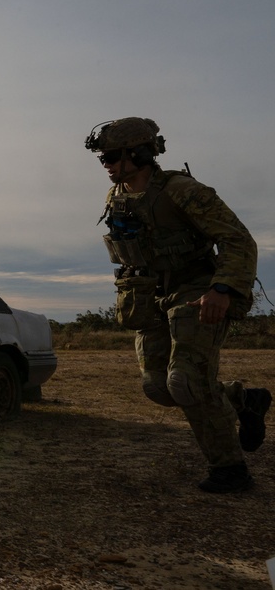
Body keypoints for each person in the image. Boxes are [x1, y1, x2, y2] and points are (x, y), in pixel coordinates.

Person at [85, 117, 271, 493]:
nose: (105, 163)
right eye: (102, 157)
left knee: (185, 381)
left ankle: (230, 470)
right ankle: (242, 399)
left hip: (197, 289)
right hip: (150, 295)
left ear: (139, 152)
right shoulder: (117, 195)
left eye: (112, 155)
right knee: (157, 387)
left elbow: (238, 240)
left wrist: (222, 289)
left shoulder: (182, 190)